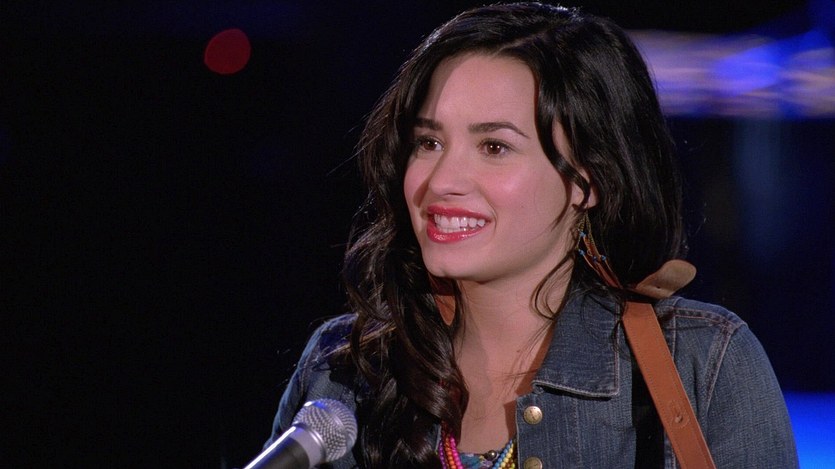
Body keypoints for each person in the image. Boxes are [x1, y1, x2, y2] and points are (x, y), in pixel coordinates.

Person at [264, 2, 798, 467]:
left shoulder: (703, 362)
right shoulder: (344, 369)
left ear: (588, 180)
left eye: (494, 147)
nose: (441, 181)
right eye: (428, 143)